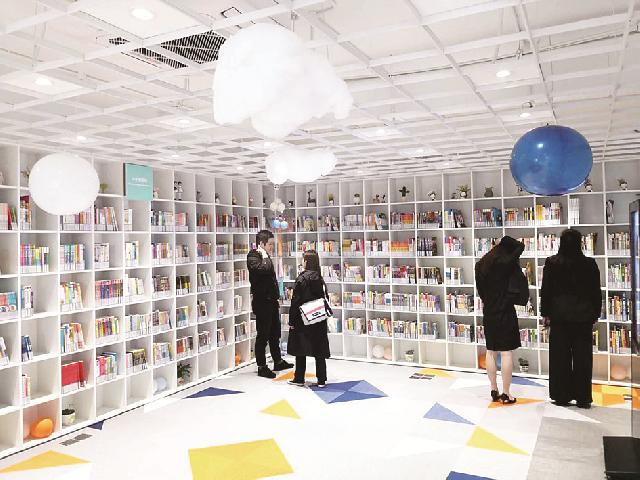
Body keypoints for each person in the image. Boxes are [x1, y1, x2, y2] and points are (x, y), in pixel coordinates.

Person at [541, 228, 601, 409]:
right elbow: (595, 292)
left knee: (559, 357)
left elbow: (546, 291)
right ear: (579, 243)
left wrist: (545, 313)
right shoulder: (589, 264)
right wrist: (595, 313)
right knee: (583, 358)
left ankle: (561, 395)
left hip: (559, 317)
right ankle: (583, 397)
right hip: (583, 317)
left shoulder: (552, 263)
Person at [475, 236, 529, 404]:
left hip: (489, 312)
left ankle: (493, 389)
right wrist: (504, 240)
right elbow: (520, 247)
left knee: (491, 351)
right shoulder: (507, 264)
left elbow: (481, 292)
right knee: (506, 353)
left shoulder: (481, 265)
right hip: (505, 312)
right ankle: (506, 393)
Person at [247, 230, 293, 378]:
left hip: (271, 302)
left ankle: (278, 361)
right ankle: (262, 367)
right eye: (270, 244)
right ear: (261, 244)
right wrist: (265, 256)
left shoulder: (264, 256)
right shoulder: (253, 256)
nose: (272, 247)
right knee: (263, 335)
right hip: (262, 303)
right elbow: (263, 269)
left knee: (275, 333)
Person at [286, 250, 331, 388]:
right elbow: (325, 298)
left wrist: (292, 321)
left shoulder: (301, 279)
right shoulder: (319, 278)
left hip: (303, 318)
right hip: (318, 317)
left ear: (306, 261)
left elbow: (295, 302)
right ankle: (321, 379)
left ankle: (299, 378)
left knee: (300, 349)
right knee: (319, 349)